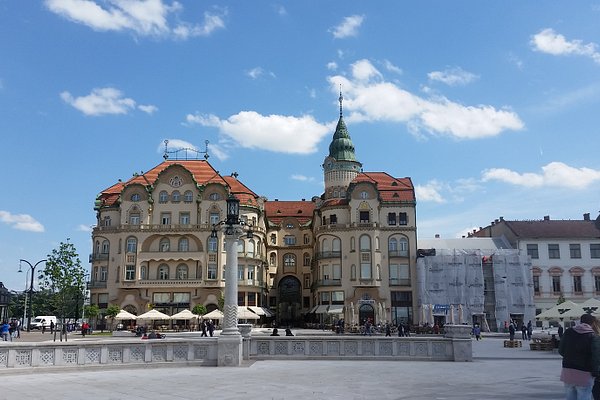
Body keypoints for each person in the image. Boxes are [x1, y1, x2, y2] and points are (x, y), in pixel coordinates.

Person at [559, 313, 600, 400]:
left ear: (581, 321)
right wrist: (595, 372)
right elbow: (596, 357)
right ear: (593, 323)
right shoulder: (593, 336)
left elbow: (561, 350)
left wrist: (570, 357)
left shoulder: (568, 332)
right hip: (584, 373)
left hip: (568, 371)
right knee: (584, 396)